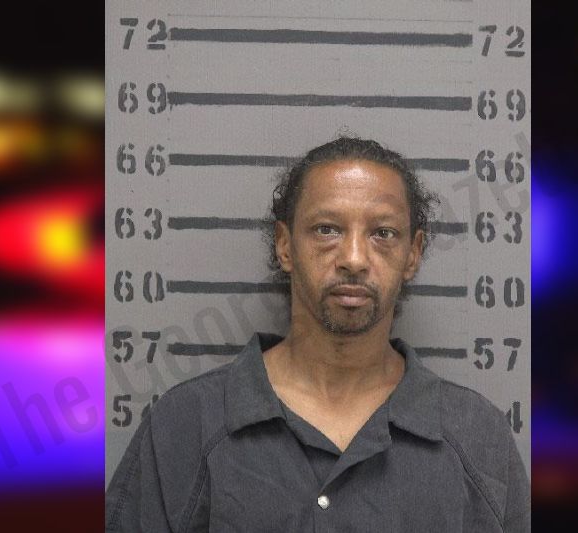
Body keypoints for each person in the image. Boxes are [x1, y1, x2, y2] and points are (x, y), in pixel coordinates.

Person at [105, 137, 530, 532]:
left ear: (412, 254)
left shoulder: (477, 438)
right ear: (285, 246)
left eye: (382, 233)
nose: (354, 259)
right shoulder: (185, 426)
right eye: (328, 229)